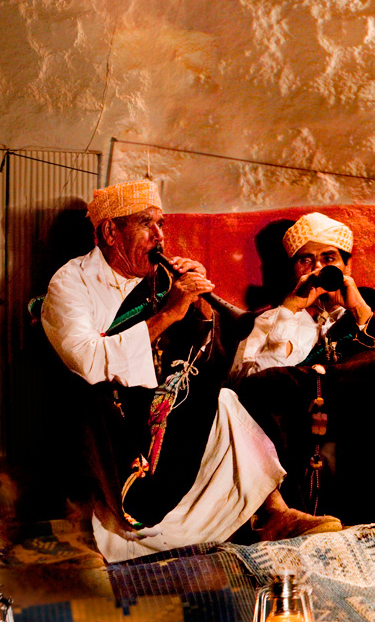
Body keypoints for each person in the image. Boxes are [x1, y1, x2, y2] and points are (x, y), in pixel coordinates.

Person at [38, 180, 337, 560]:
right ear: (111, 232)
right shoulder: (71, 282)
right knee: (206, 402)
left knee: (224, 398)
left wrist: (203, 311)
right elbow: (86, 360)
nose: (159, 237)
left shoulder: (161, 278)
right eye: (147, 224)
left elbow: (222, 350)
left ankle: (274, 514)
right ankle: (249, 517)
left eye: (161, 224)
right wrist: (169, 313)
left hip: (162, 398)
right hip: (108, 418)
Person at [227, 212, 375, 520]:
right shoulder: (269, 319)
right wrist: (289, 310)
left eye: (329, 259)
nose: (318, 269)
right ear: (292, 269)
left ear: (347, 267)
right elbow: (249, 382)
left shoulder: (373, 310)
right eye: (306, 261)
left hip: (357, 437)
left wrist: (358, 309)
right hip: (294, 436)